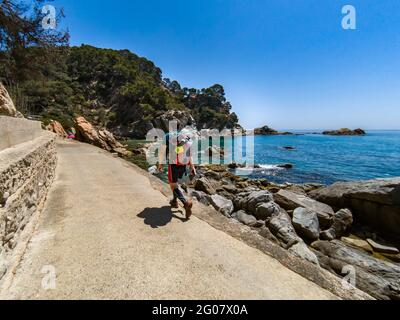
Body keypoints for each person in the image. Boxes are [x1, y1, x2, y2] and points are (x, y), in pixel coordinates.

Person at [158, 131, 196, 219]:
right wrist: (192, 166)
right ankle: (174, 201)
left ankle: (185, 203)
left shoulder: (168, 136)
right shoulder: (186, 137)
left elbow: (162, 151)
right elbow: (190, 153)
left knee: (173, 185)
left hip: (173, 164)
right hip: (183, 164)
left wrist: (160, 164)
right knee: (176, 184)